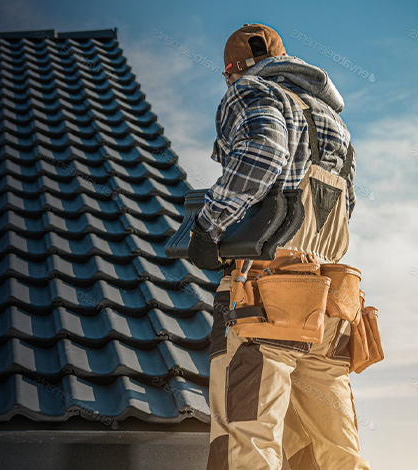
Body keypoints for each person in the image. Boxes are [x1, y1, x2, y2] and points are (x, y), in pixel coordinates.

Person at [187, 23, 371, 469]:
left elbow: (263, 153)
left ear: (231, 70)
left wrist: (209, 225)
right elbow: (342, 209)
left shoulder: (250, 92)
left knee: (247, 439)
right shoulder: (335, 122)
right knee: (334, 452)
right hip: (328, 306)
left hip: (266, 299)